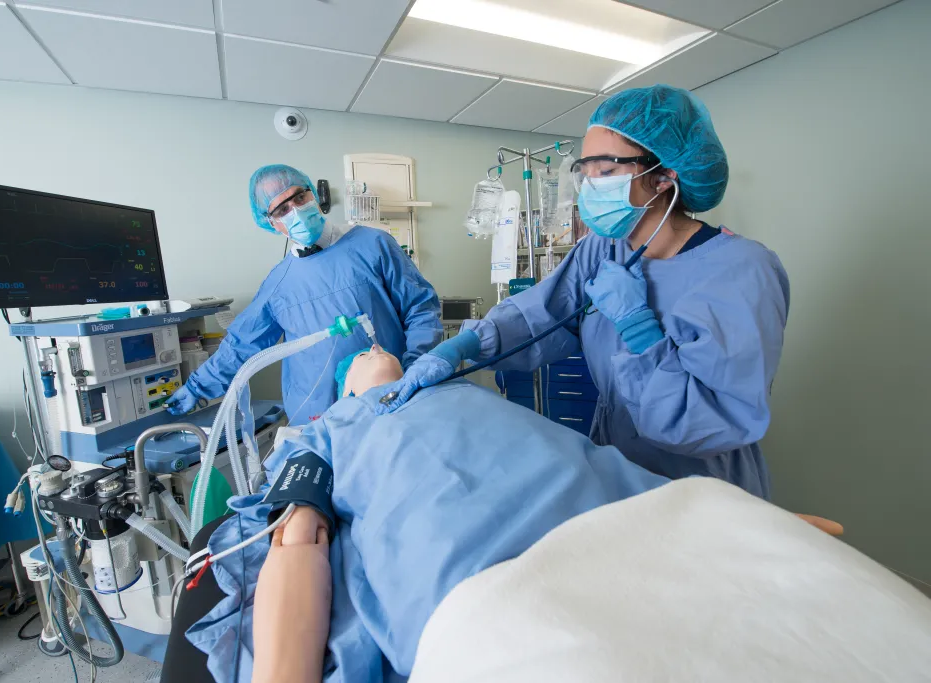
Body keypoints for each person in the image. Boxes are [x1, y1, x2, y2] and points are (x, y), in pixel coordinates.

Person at [379, 84, 790, 499]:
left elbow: (704, 426)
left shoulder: (741, 272)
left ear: (664, 178)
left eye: (606, 171)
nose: (588, 187)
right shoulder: (603, 248)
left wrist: (639, 329)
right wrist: (464, 346)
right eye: (585, 170)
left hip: (704, 491)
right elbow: (540, 315)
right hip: (619, 474)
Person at [184, 347, 669, 681]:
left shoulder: (459, 388)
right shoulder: (332, 426)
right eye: (360, 355)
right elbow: (297, 539)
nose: (373, 352)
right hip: (477, 563)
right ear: (345, 388)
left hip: (616, 511)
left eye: (377, 349)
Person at [165, 164, 442, 425]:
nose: (295, 210)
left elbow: (420, 309)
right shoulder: (279, 284)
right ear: (272, 223)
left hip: (390, 398)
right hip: (316, 415)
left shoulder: (373, 244)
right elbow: (242, 345)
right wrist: (196, 387)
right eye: (282, 209)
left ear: (313, 194)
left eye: (299, 197)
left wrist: (415, 368)